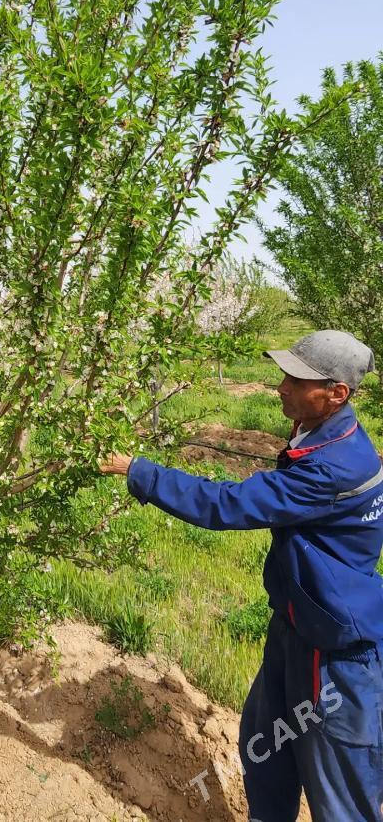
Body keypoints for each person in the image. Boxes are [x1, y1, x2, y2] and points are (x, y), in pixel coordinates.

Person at [100, 330, 383, 822]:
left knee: (341, 794)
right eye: (285, 375)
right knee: (265, 745)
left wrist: (140, 472)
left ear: (337, 393)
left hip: (335, 657)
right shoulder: (323, 437)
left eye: (297, 380)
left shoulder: (330, 467)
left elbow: (227, 505)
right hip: (296, 629)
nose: (281, 386)